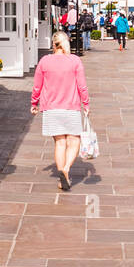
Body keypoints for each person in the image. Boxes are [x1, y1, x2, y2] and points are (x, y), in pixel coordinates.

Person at [31, 31, 90, 191]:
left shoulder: (44, 61)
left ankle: (62, 175)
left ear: (53, 44)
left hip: (51, 109)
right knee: (74, 141)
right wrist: (86, 104)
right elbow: (82, 86)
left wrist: (34, 102)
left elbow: (37, 86)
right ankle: (66, 169)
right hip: (71, 107)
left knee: (60, 142)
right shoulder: (75, 60)